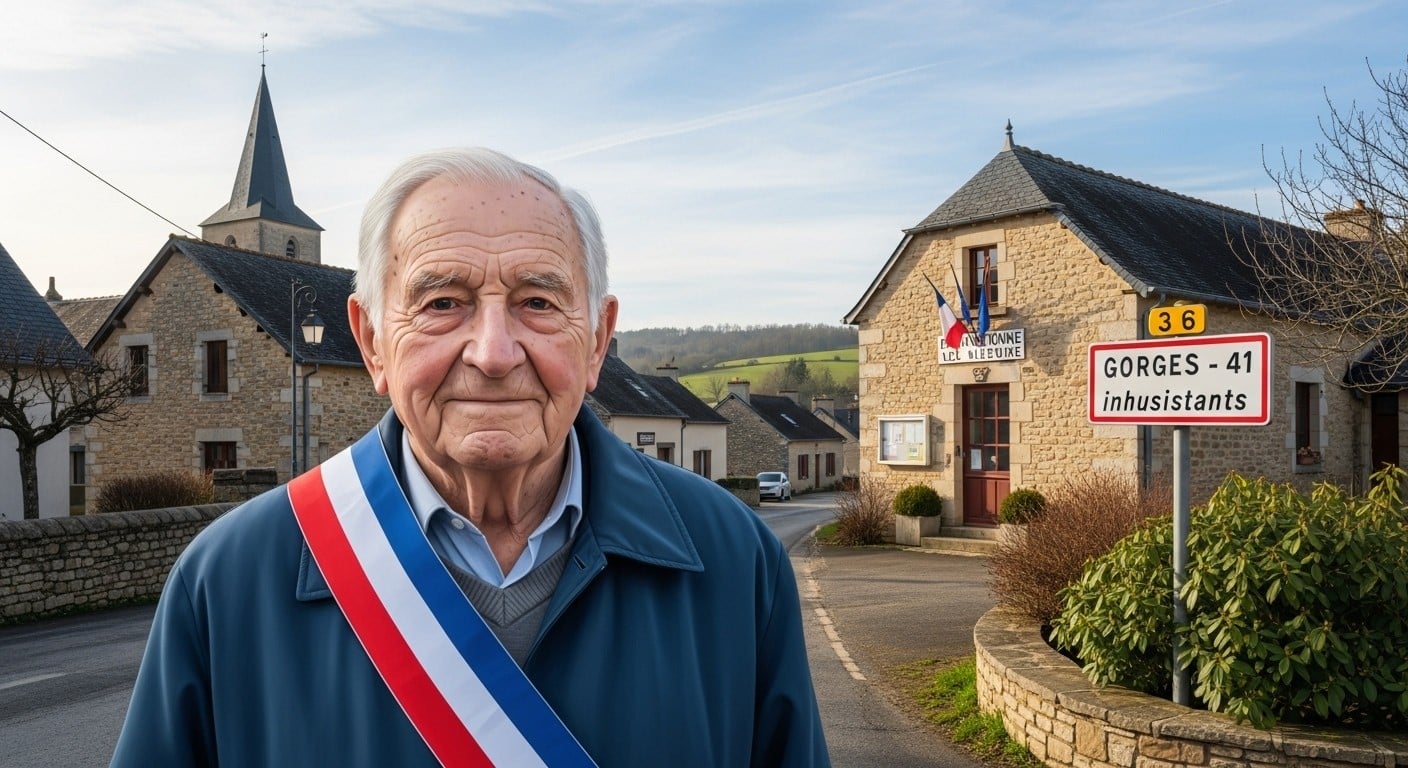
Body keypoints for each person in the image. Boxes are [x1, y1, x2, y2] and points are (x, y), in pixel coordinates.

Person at [111, 147, 830, 767]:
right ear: (370, 342)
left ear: (599, 340)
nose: (492, 354)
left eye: (539, 302)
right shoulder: (226, 584)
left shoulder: (736, 562)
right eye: (443, 302)